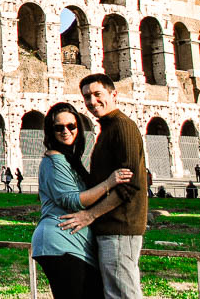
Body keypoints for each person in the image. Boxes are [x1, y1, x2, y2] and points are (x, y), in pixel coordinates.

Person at [60, 73, 149, 299]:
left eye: (98, 94)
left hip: (120, 226)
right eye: (87, 97)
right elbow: (102, 181)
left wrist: (90, 215)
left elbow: (129, 187)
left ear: (113, 94)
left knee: (122, 295)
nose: (92, 102)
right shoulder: (108, 129)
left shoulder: (122, 127)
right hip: (111, 227)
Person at [32, 102, 132, 299]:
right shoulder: (54, 159)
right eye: (58, 127)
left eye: (71, 126)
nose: (65, 131)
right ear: (50, 132)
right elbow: (72, 200)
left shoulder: (69, 160)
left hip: (72, 244)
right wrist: (109, 183)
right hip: (61, 243)